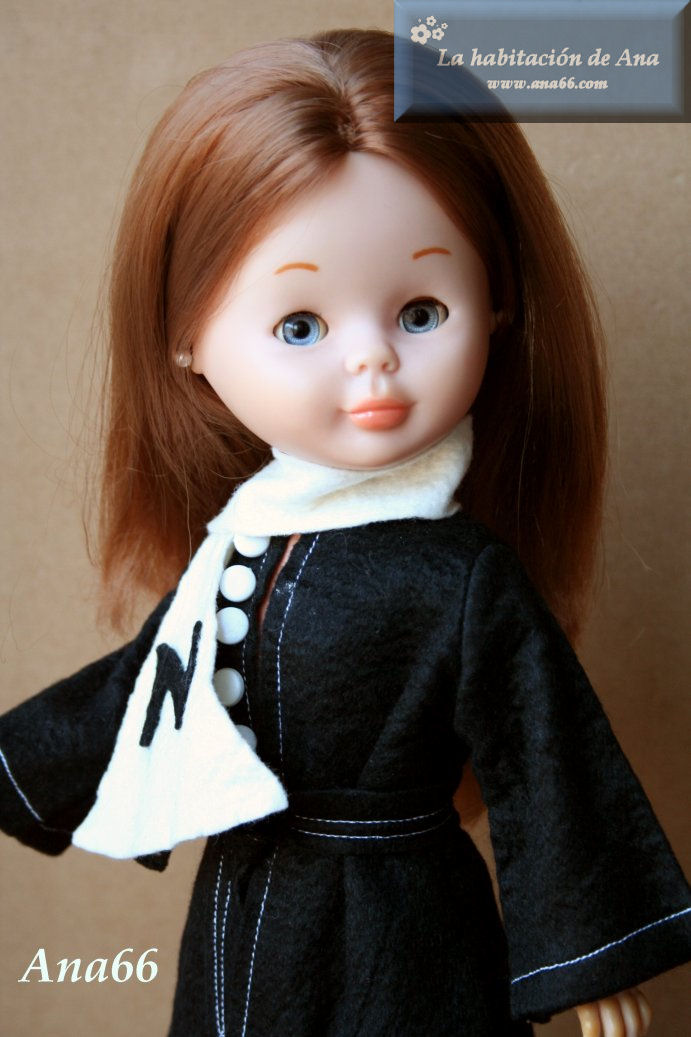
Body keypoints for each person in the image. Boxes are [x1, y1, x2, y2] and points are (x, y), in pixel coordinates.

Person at [0, 28, 688, 1037]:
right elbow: (142, 684)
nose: (372, 363)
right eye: (299, 326)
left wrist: (587, 955)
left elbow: (546, 755)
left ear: (496, 305)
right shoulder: (243, 537)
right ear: (187, 340)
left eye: (421, 310)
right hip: (244, 913)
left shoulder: (460, 576)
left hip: (402, 931)